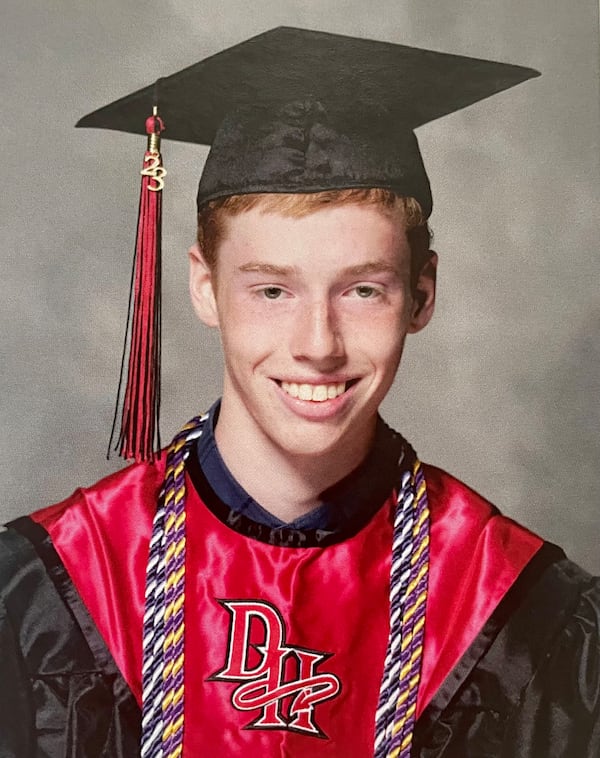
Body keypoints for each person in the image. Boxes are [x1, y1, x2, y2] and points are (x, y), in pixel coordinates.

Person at [0, 26, 598, 758]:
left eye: (364, 290)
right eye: (274, 289)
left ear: (422, 293)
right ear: (204, 287)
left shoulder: (528, 615)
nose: (318, 343)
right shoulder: (43, 596)